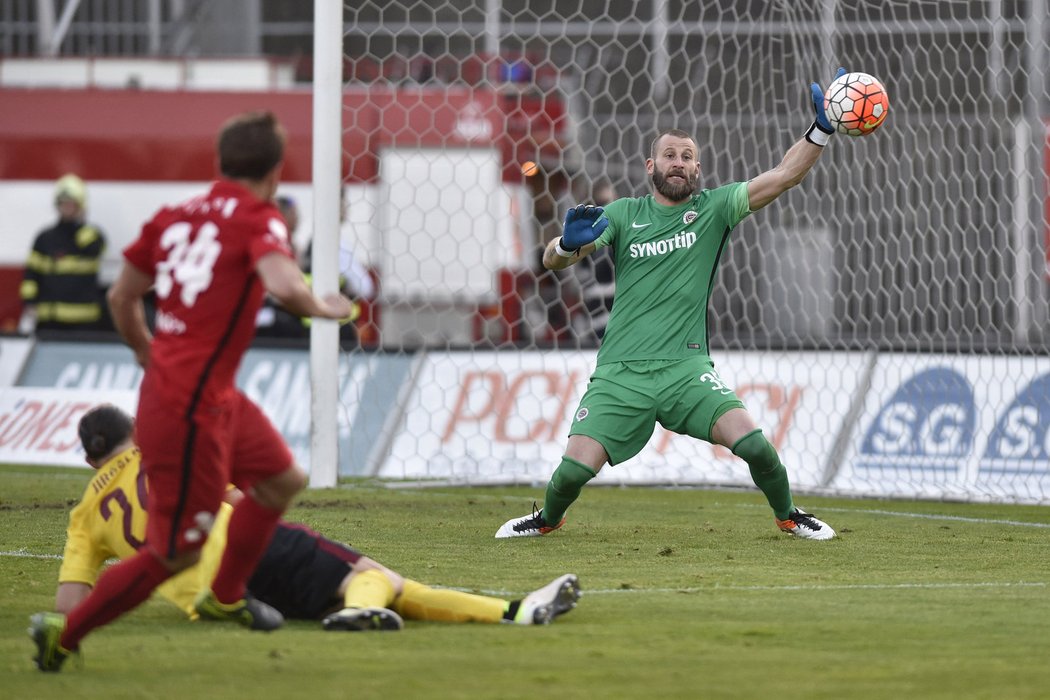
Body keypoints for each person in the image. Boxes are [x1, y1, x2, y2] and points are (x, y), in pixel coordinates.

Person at [29, 111, 355, 673]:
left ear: (221, 164)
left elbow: (120, 299)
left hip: (207, 392)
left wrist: (144, 351)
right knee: (175, 552)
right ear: (275, 172)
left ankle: (225, 595)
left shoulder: (173, 215)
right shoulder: (260, 217)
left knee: (283, 479)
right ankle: (65, 636)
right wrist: (322, 307)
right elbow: (281, 283)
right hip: (187, 409)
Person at [496, 70, 854, 542]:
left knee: (758, 448)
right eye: (670, 155)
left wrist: (822, 130)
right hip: (621, 373)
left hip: (686, 370)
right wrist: (564, 245)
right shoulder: (624, 214)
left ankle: (788, 515)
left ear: (698, 170)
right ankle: (547, 519)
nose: (679, 163)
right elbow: (552, 260)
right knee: (569, 476)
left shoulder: (714, 208)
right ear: (651, 166)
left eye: (687, 157)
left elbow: (785, 175)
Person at [48, 404, 580, 639]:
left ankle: (516, 612)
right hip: (242, 551)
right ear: (136, 430)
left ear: (91, 461)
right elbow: (231, 496)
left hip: (214, 605)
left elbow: (71, 607)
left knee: (395, 589)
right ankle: (360, 612)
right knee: (376, 578)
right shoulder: (163, 452)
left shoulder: (85, 514)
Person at [19, 174, 107, 333]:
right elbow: (31, 274)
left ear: (81, 206)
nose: (67, 208)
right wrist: (29, 302)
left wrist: (79, 225)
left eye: (72, 204)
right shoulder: (45, 238)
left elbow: (94, 250)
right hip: (49, 321)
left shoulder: (91, 235)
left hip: (84, 322)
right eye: (64, 204)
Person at [571, 178, 618, 344]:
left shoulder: (620, 233)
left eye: (613, 202)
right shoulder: (586, 239)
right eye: (604, 203)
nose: (610, 208)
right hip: (600, 320)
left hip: (621, 318)